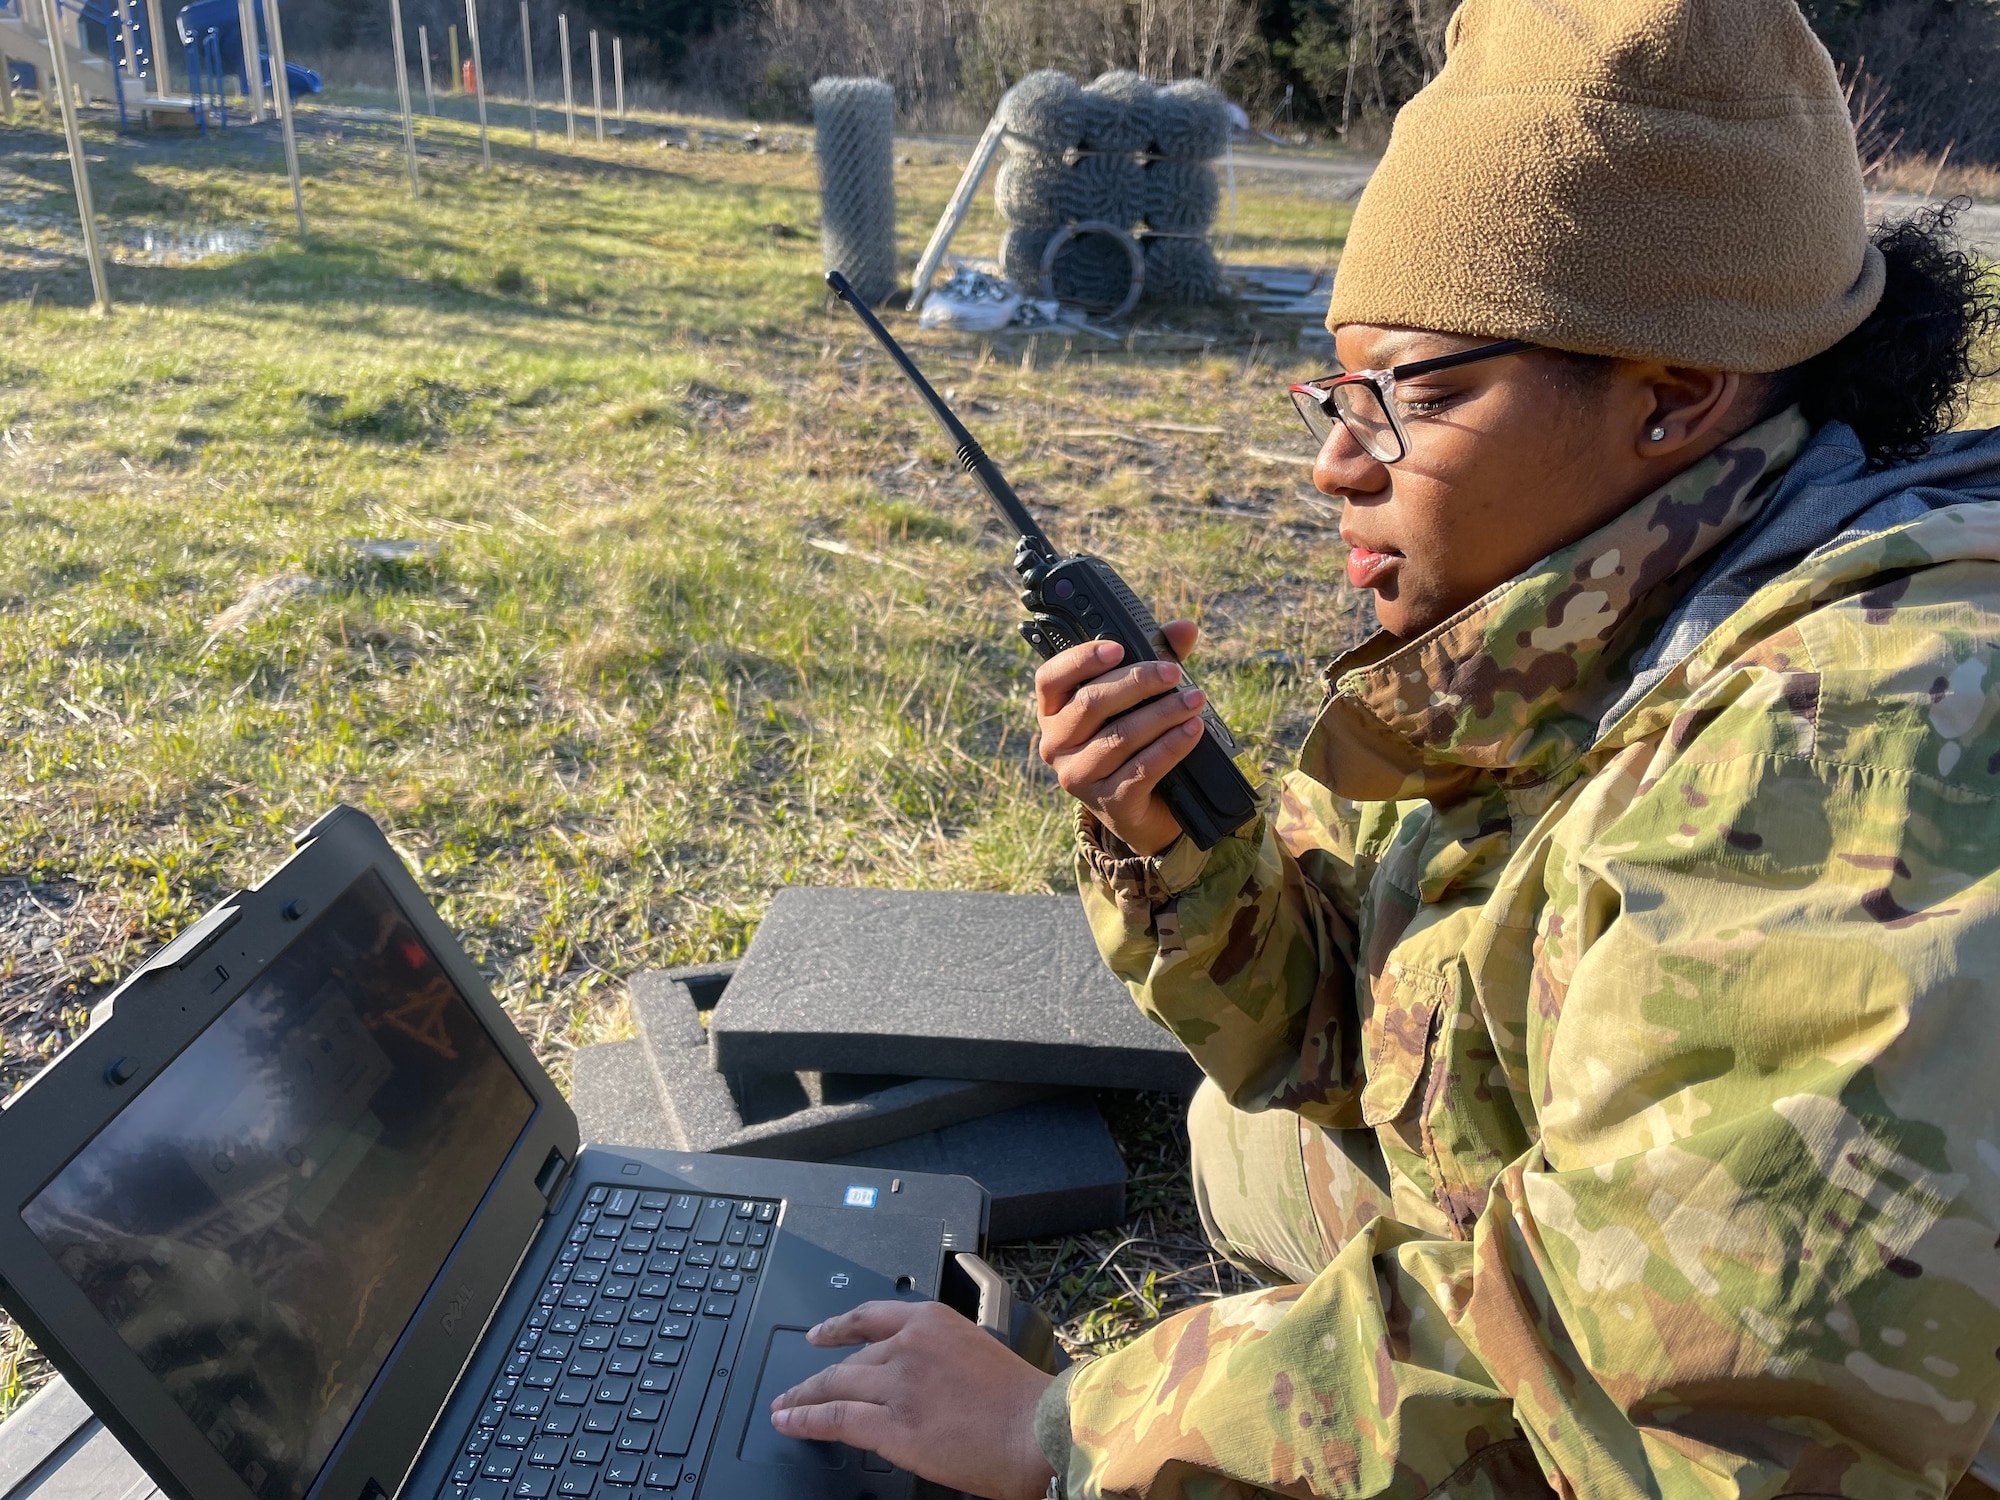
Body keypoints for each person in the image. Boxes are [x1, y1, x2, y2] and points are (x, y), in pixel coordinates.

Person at [766, 0, 2000, 1495]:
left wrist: (1065, 1431)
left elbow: (1681, 1404)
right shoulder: (1569, 632)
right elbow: (1345, 1037)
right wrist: (1181, 841)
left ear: (1674, 396)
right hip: (1533, 1213)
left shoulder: (1865, 755)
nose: (1335, 463)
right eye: (1334, 391)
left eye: (1414, 395)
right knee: (1241, 1134)